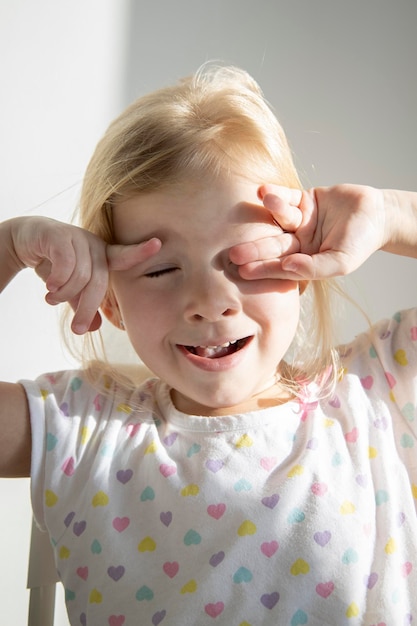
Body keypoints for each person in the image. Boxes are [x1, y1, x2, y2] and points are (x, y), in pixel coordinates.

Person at [1, 65, 416, 626]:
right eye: (160, 269)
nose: (208, 300)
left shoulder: (376, 394)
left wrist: (392, 216)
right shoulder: (79, 428)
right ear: (111, 300)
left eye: (244, 259)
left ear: (303, 265)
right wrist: (9, 247)